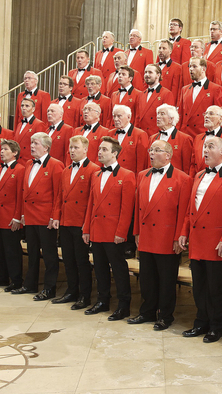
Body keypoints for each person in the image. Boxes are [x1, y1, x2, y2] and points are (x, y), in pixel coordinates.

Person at [178, 136, 222, 343]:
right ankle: (201, 322)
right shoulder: (198, 175)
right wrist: (183, 232)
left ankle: (217, 325)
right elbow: (191, 210)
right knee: (198, 285)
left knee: (215, 287)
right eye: (204, 147)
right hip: (197, 239)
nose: (205, 150)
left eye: (210, 147)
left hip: (217, 241)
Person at [130, 140, 192, 330]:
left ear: (168, 155)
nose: (151, 153)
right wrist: (137, 232)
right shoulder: (142, 175)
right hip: (147, 234)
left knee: (166, 280)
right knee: (147, 277)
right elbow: (138, 208)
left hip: (167, 237)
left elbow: (184, 211)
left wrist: (178, 237)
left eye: (157, 150)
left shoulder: (182, 178)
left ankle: (165, 315)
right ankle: (147, 311)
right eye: (151, 150)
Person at [83, 137, 136, 321]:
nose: (99, 152)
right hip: (97, 229)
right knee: (99, 268)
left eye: (104, 149)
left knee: (119, 269)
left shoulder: (127, 175)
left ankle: (124, 305)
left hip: (114, 232)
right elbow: (91, 203)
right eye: (99, 149)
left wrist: (121, 233)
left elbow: (127, 208)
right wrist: (86, 228)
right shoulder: (96, 174)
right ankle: (102, 300)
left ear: (115, 153)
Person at [51, 135, 100, 310]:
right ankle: (72, 290)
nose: (72, 151)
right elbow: (60, 196)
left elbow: (93, 200)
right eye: (71, 147)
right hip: (65, 221)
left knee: (81, 260)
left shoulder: (94, 169)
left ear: (86, 149)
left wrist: (87, 226)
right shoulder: (66, 170)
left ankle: (85, 296)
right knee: (68, 259)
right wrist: (56, 216)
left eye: (76, 148)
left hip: (80, 222)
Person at [13, 132, 63, 300]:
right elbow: (24, 191)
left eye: (35, 143)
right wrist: (22, 214)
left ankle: (50, 288)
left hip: (45, 216)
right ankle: (29, 284)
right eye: (31, 143)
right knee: (32, 252)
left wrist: (55, 216)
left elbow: (58, 194)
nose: (31, 146)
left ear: (46, 147)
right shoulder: (28, 163)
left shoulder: (56, 165)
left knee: (49, 255)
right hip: (30, 215)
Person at [0, 139, 25, 291]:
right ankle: (0, 278)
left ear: (15, 152)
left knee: (11, 251)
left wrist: (17, 217)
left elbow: (20, 195)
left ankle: (15, 280)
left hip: (10, 217)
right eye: (1, 149)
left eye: (6, 149)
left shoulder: (20, 170)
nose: (2, 152)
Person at [178, 56, 222, 137]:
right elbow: (180, 115)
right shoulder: (185, 89)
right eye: (190, 66)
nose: (191, 69)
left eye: (194, 66)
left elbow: (220, 117)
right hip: (185, 134)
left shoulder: (215, 89)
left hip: (204, 134)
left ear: (203, 69)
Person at [190, 105, 222, 176]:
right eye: (205, 114)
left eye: (211, 114)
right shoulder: (198, 138)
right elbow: (193, 164)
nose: (206, 116)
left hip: (219, 180)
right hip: (200, 180)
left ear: (220, 119)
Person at [134, 64, 176, 136]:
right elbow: (137, 118)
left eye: (150, 72)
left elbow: (168, 120)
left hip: (156, 135)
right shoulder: (141, 94)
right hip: (141, 135)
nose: (147, 74)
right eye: (145, 72)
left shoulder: (166, 93)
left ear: (158, 75)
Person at [151, 104, 193, 173]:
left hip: (175, 179)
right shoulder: (152, 138)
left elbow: (187, 167)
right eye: (158, 114)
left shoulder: (185, 139)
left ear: (171, 119)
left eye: (162, 114)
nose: (158, 116)